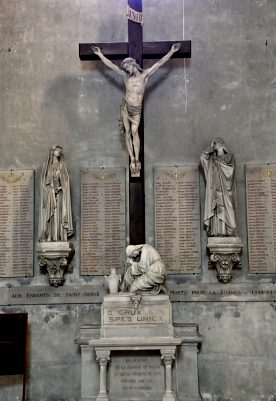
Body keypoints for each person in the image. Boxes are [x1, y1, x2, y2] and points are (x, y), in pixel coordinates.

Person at [92, 43, 181, 175]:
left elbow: (160, 63)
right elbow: (112, 66)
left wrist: (172, 51)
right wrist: (99, 54)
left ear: (132, 63)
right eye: (124, 68)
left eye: (126, 66)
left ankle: (137, 159)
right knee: (127, 132)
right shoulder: (125, 76)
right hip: (126, 106)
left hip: (136, 110)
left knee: (134, 132)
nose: (126, 69)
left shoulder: (145, 75)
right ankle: (132, 158)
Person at [200, 138, 237, 237]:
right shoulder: (212, 159)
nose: (214, 145)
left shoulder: (229, 157)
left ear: (221, 144)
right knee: (216, 210)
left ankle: (228, 232)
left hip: (226, 189)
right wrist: (209, 148)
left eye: (216, 143)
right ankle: (218, 232)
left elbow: (230, 170)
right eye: (214, 144)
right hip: (215, 189)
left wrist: (219, 163)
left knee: (228, 211)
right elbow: (203, 157)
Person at [39, 145, 74, 242]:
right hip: (50, 196)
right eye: (56, 150)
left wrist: (60, 188)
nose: (58, 152)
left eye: (59, 150)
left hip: (59, 195)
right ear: (52, 152)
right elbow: (43, 184)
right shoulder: (47, 167)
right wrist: (50, 190)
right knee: (51, 216)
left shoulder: (61, 166)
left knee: (59, 215)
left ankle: (59, 237)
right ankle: (50, 237)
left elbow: (66, 181)